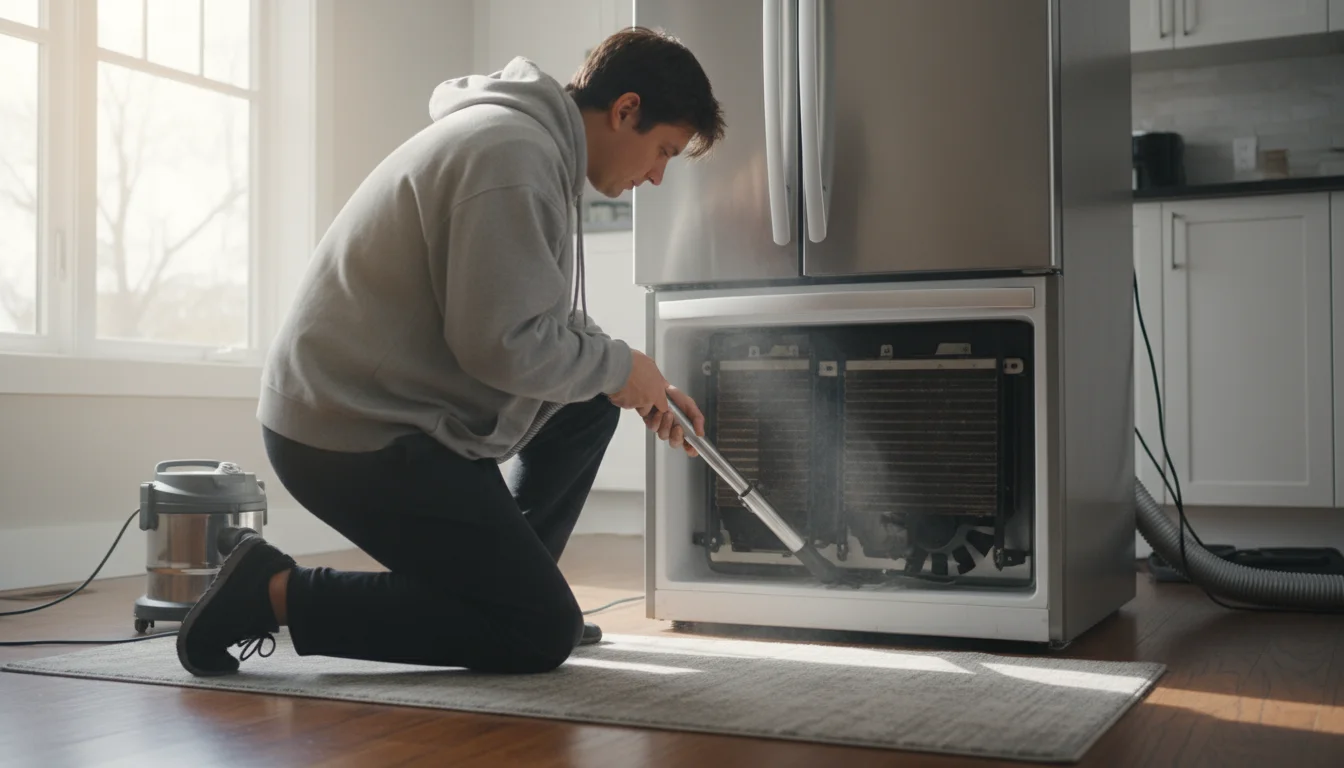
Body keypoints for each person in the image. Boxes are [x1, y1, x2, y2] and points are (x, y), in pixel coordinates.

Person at [175, 27, 724, 677]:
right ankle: (269, 592)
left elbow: (533, 317)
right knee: (540, 631)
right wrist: (618, 366)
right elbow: (501, 347)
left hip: (382, 411)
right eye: (661, 150)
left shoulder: (529, 147)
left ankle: (507, 592)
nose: (658, 176)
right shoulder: (512, 156)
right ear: (626, 109)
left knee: (591, 403)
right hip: (346, 430)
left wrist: (635, 377)